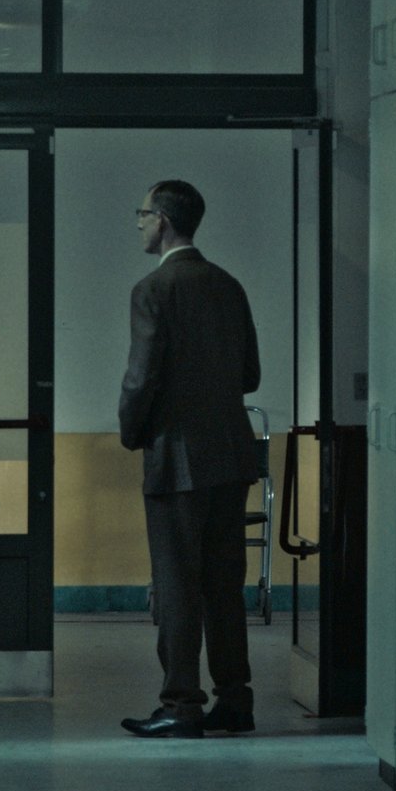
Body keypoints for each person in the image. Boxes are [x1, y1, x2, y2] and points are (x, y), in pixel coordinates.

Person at [117, 179, 265, 740]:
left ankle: (180, 705)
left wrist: (132, 432)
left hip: (176, 458)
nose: (139, 223)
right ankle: (236, 700)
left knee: (177, 583)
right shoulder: (229, 285)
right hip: (231, 453)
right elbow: (251, 374)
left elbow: (141, 378)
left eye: (142, 214)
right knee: (224, 584)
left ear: (162, 220)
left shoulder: (153, 289)